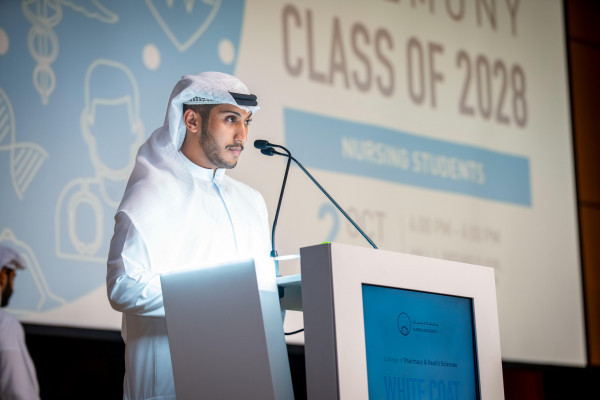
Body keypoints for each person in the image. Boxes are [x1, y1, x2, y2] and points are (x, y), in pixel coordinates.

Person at [106, 72, 271, 400]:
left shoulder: (252, 202)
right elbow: (122, 286)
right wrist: (212, 296)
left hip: (241, 382)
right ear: (192, 120)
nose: (242, 135)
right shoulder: (152, 192)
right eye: (230, 119)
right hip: (167, 387)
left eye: (247, 121)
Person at [0, 244, 40, 400]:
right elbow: (17, 390)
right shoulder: (6, 325)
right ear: (3, 276)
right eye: (13, 277)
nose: (14, 289)